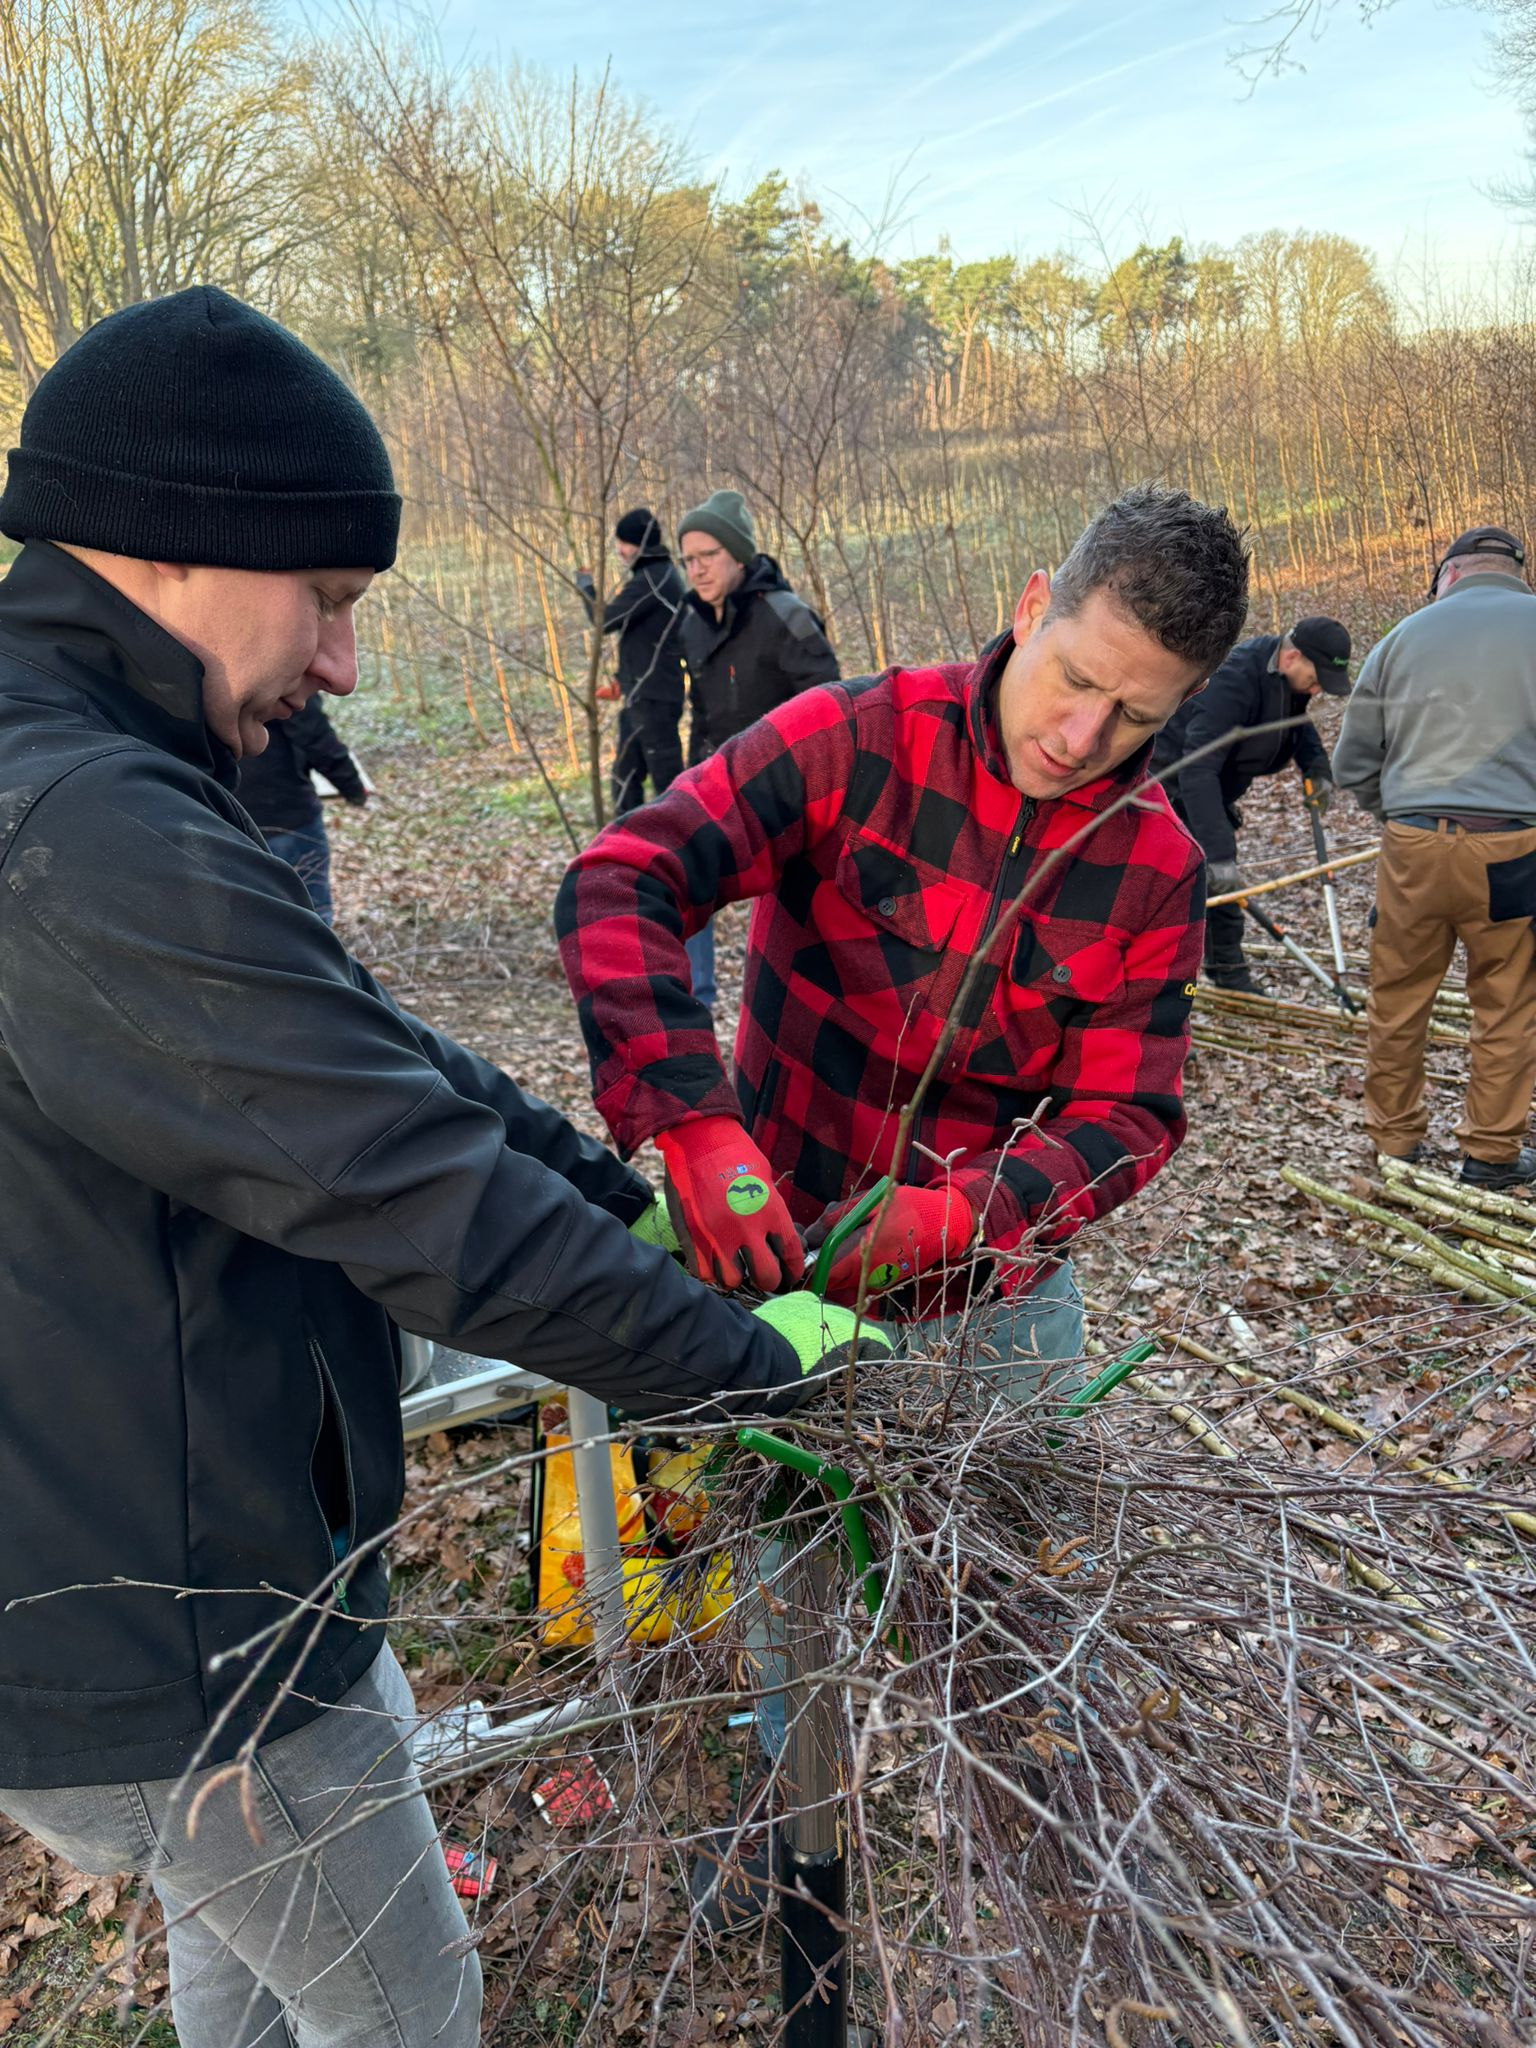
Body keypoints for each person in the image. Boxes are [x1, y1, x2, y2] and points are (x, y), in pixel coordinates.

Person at [0, 287, 879, 2048]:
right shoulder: (75, 829)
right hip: (180, 1631)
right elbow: (406, 1185)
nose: (338, 660)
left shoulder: (109, 773)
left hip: (193, 1554)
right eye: (326, 601)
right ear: (178, 549)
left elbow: (364, 1050)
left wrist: (610, 1187)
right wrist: (745, 1362)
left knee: (247, 1955)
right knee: (403, 2007)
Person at [1333, 525, 1536, 1187]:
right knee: (1507, 1004)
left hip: (1414, 843)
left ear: (1446, 576)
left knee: (1397, 998)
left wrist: (1398, 816)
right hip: (1515, 847)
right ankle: (1490, 1157)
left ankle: (1395, 1146)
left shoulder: (1401, 639)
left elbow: (1353, 761)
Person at [675, 488, 839, 1009]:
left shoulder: (785, 616)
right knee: (683, 874)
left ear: (739, 554)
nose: (696, 570)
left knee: (793, 922)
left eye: (708, 556)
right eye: (688, 560)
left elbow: (831, 708)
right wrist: (690, 777)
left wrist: (797, 785)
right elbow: (701, 712)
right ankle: (694, 1001)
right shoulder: (693, 623)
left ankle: (792, 1007)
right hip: (718, 789)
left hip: (788, 799)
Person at [1151, 616, 1353, 993]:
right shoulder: (1233, 680)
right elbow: (1198, 769)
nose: (1316, 691)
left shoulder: (1287, 681)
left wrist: (1317, 768)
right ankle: (1175, 986)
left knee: (1220, 884)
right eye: (1316, 679)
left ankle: (1227, 971)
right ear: (1292, 657)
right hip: (1172, 788)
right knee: (1203, 882)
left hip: (1212, 789)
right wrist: (1219, 852)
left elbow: (1297, 723)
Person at [575, 506, 687, 816]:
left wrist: (585, 587)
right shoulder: (655, 576)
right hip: (642, 694)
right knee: (625, 779)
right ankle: (630, 851)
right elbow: (642, 636)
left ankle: (684, 849)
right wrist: (621, 680)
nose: (619, 551)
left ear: (640, 544)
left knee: (669, 785)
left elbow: (606, 620)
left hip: (654, 698)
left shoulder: (654, 579)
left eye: (624, 543)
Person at [237, 693, 368, 922]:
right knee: (313, 915)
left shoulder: (198, 674)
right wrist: (354, 788)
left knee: (256, 920)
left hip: (230, 820)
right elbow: (316, 738)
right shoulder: (284, 674)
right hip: (288, 817)